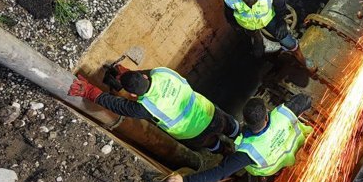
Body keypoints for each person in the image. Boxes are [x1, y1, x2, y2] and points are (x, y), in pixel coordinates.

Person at [68, 66, 240, 154]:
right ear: (143, 77)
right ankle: (239, 135)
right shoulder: (163, 72)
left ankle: (223, 151)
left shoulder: (146, 108)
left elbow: (117, 105)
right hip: (209, 112)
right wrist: (128, 73)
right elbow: (146, 72)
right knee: (228, 125)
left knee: (210, 143)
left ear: (133, 94)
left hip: (193, 133)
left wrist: (90, 91)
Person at [166, 94, 313, 182]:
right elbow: (305, 100)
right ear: (266, 116)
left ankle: (223, 150)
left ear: (246, 122)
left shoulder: (247, 152)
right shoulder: (283, 113)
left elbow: (220, 173)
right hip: (297, 150)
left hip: (272, 168)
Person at [223, 0, 316, 72]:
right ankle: (258, 39)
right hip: (249, 24)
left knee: (289, 43)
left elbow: (280, 4)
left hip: (268, 20)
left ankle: (303, 60)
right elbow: (229, 15)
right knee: (253, 33)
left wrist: (281, 23)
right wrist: (237, 26)